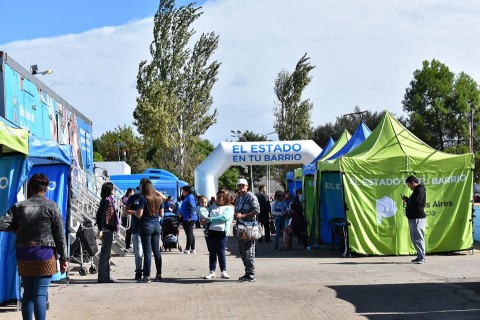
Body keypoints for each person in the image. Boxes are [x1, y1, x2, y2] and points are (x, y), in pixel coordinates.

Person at [0, 173, 68, 320]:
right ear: (46, 189)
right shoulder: (52, 206)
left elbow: (2, 223)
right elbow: (59, 235)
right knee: (40, 294)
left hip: (24, 254)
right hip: (45, 253)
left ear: (30, 188)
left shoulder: (19, 207)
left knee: (28, 294)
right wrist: (64, 258)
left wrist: (16, 228)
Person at [136, 179, 165, 282]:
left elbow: (139, 214)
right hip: (156, 225)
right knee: (156, 251)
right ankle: (159, 274)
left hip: (146, 225)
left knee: (147, 252)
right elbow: (162, 214)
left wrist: (135, 212)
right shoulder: (158, 198)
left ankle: (147, 275)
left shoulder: (143, 198)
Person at [201, 189, 234, 280]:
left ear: (226, 198)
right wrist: (203, 219)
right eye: (218, 197)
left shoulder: (230, 207)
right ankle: (212, 271)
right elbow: (205, 214)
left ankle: (223, 271)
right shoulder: (212, 206)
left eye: (221, 197)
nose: (219, 199)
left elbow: (224, 218)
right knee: (212, 252)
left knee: (221, 252)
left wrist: (210, 219)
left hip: (222, 233)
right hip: (211, 231)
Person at [234, 178, 260, 282]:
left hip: (249, 227)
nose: (241, 187)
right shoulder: (239, 197)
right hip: (241, 227)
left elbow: (257, 210)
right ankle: (247, 272)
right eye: (239, 185)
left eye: (243, 185)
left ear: (247, 186)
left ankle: (251, 274)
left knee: (249, 251)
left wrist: (243, 215)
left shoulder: (250, 196)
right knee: (242, 250)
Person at [96, 182, 120, 283]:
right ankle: (103, 277)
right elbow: (100, 216)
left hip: (108, 229)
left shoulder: (108, 200)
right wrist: (100, 230)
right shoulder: (106, 201)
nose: (114, 190)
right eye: (113, 189)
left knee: (106, 254)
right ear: (109, 190)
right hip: (106, 229)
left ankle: (105, 276)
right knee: (105, 254)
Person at [402, 175, 427, 264]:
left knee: (418, 238)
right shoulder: (417, 190)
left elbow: (417, 204)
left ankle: (422, 257)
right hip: (413, 217)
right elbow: (414, 202)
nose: (409, 187)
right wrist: (408, 200)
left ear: (413, 182)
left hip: (417, 217)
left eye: (409, 185)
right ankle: (420, 256)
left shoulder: (419, 190)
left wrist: (409, 202)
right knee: (415, 238)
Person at [125, 181, 147, 280]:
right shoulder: (132, 198)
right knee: (138, 253)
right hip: (137, 229)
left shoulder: (149, 198)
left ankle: (147, 272)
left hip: (147, 229)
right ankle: (138, 271)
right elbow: (126, 210)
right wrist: (136, 212)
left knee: (146, 253)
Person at [179, 185, 198, 254]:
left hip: (189, 218)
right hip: (187, 217)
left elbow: (192, 207)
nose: (182, 192)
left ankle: (187, 249)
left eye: (183, 191)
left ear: (186, 191)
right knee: (190, 233)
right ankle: (193, 248)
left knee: (189, 233)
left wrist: (190, 216)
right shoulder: (188, 197)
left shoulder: (189, 198)